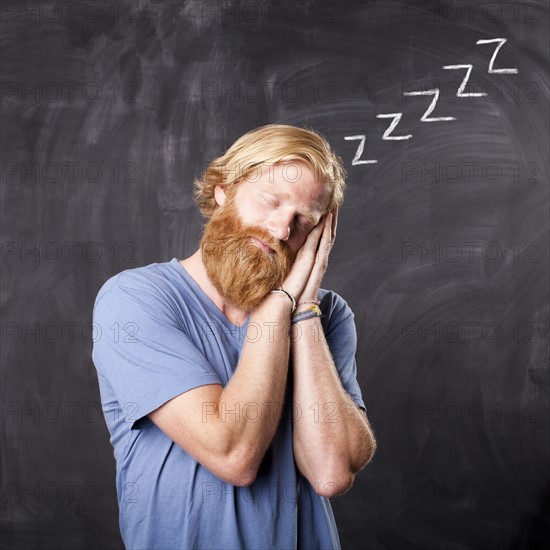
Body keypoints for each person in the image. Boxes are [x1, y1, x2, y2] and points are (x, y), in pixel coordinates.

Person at [92, 124, 376, 549]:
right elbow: (233, 456)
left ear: (319, 239)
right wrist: (278, 304)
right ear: (223, 192)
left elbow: (331, 473)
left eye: (304, 221)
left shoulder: (326, 314)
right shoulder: (135, 300)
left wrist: (302, 312)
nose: (282, 230)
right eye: (271, 201)